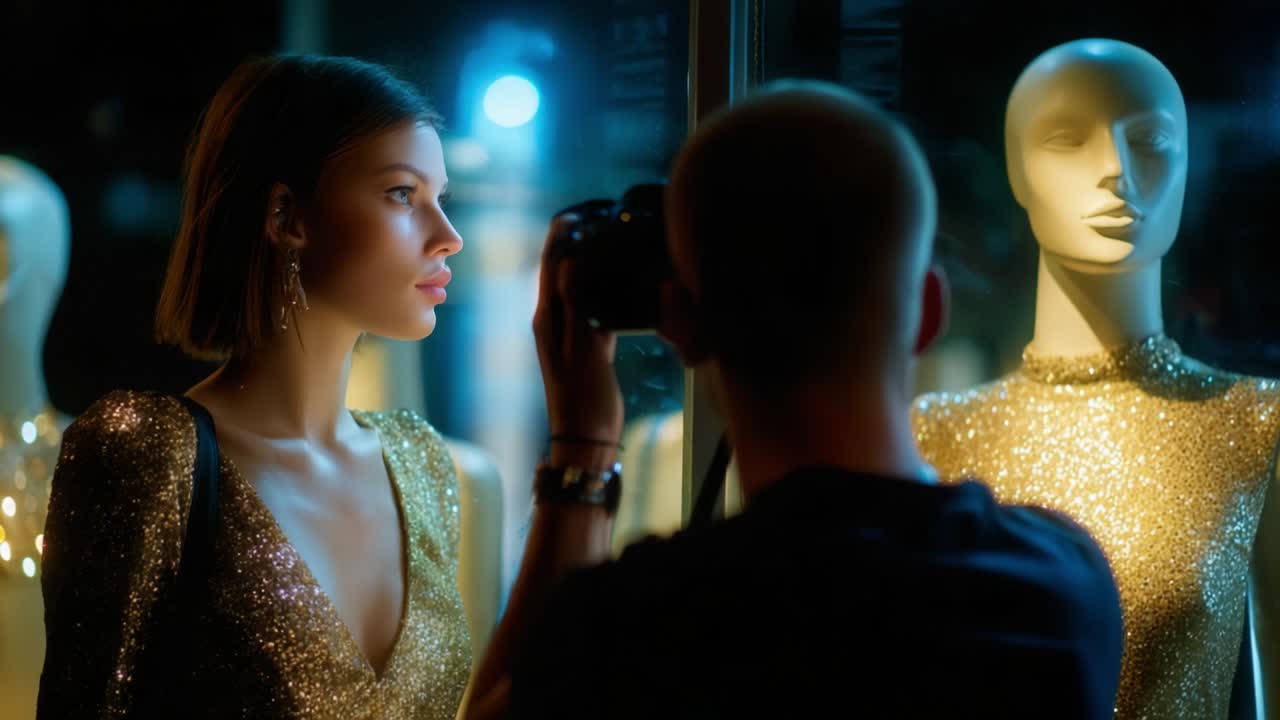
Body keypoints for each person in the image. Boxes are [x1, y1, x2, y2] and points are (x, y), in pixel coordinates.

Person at [464, 80, 1125, 719]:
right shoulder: (1058, 585)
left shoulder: (634, 629)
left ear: (680, 324)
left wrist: (582, 447)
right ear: (928, 311)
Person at [37, 54, 495, 719]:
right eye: (402, 194)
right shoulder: (149, 456)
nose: (447, 237)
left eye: (440, 199)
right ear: (287, 216)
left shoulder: (421, 464)